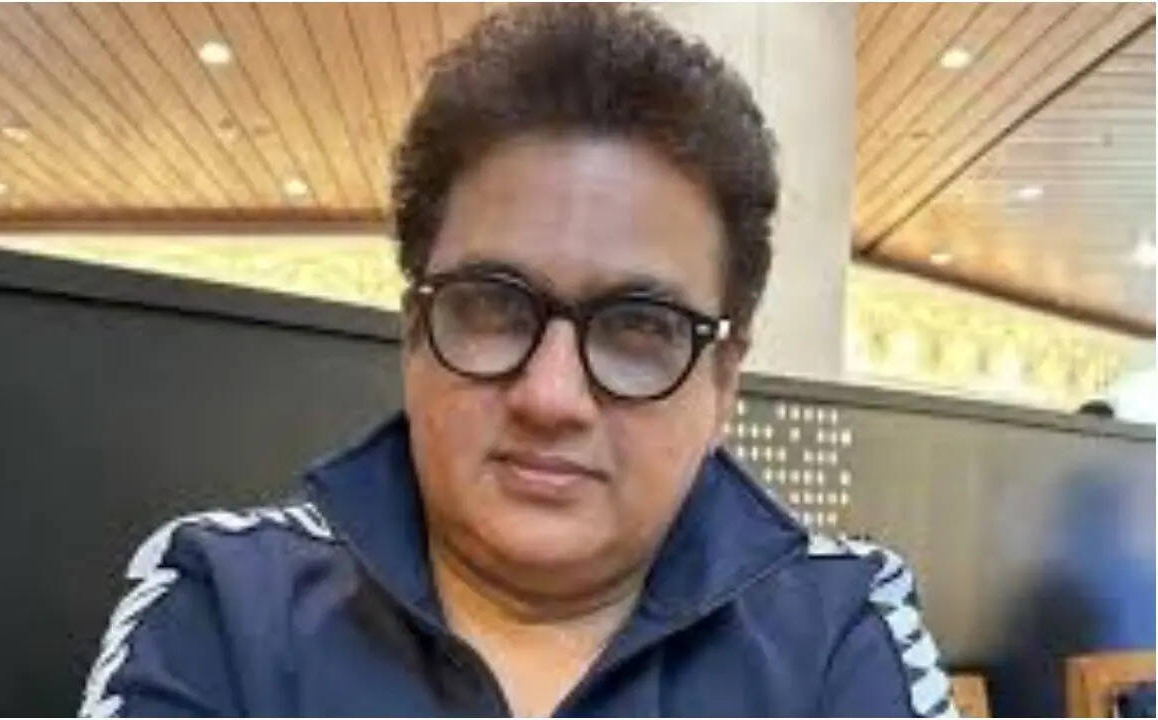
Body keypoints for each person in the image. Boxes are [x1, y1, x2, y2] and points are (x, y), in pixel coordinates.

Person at [79, 4, 955, 717]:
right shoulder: (224, 603)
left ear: (723, 379)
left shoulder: (841, 625)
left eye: (638, 327)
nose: (551, 396)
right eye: (495, 308)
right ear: (413, 331)